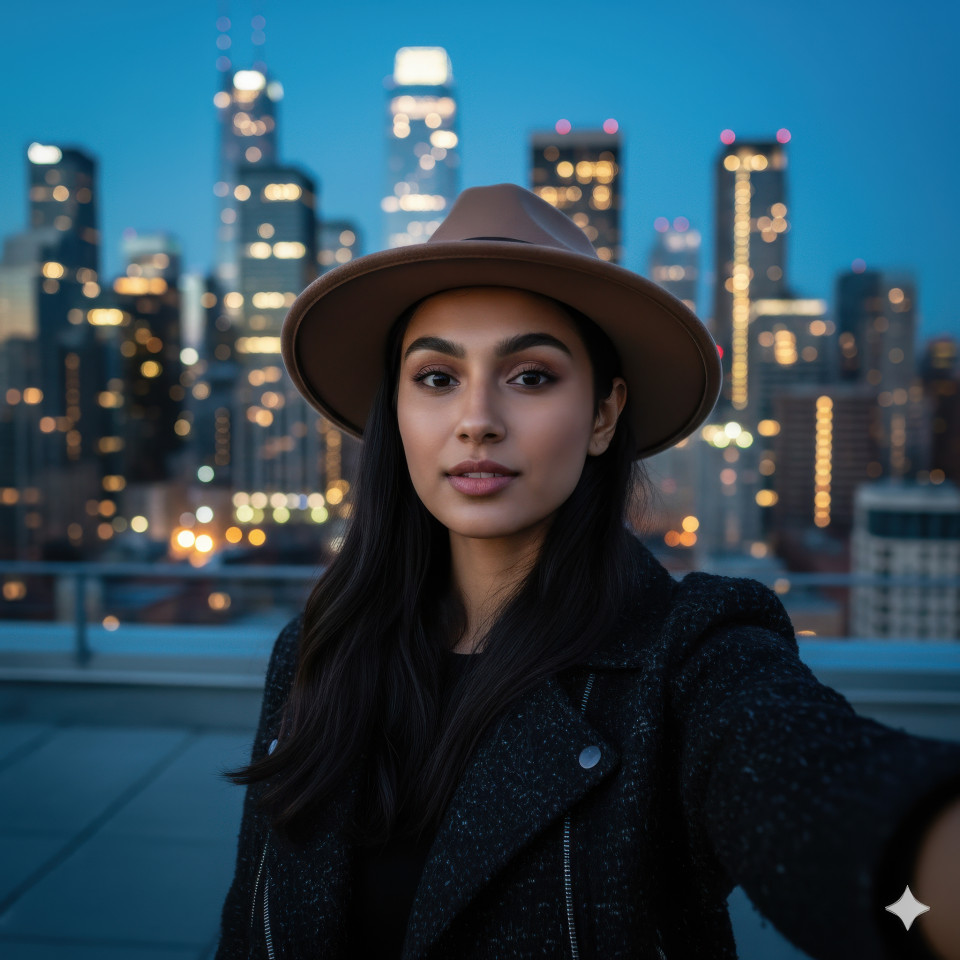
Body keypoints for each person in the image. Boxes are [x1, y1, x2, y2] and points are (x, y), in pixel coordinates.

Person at [215, 183, 960, 960]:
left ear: (604, 414)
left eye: (531, 375)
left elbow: (829, 795)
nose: (476, 419)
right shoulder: (316, 653)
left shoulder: (689, 659)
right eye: (436, 378)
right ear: (395, 411)